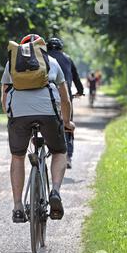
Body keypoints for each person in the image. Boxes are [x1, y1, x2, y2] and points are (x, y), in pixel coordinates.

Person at [1, 34, 75, 223]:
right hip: (48, 113)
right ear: (40, 48)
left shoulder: (12, 64)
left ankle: (18, 207)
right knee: (59, 151)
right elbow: (65, 99)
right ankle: (55, 191)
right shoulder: (51, 62)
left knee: (17, 156)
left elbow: (4, 96)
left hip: (19, 114)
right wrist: (66, 122)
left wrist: (11, 116)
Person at [47, 37, 84, 169]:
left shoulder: (44, 57)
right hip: (65, 95)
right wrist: (80, 91)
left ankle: (48, 146)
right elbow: (76, 77)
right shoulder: (67, 58)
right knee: (67, 123)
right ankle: (68, 156)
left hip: (47, 95)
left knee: (47, 120)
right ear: (61, 47)